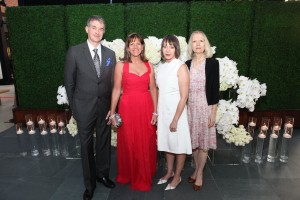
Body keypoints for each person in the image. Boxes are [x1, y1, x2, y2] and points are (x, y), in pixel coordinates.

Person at [64, 15, 116, 200]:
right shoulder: (75, 52)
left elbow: (112, 83)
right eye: (94, 27)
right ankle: (90, 185)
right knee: (86, 148)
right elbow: (69, 84)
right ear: (87, 29)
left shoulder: (110, 55)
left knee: (103, 142)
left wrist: (112, 107)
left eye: (101, 28)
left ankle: (102, 175)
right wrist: (75, 109)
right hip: (83, 109)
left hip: (104, 108)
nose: (97, 32)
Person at [109, 33, 158, 191]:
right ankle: (129, 173)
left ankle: (144, 174)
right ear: (127, 47)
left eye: (138, 43)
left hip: (146, 107)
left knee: (146, 140)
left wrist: (156, 112)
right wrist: (112, 113)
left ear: (142, 46)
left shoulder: (149, 65)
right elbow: (116, 90)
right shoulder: (120, 65)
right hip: (128, 108)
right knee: (129, 141)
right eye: (132, 44)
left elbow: (153, 90)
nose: (135, 46)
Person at [156, 35, 192, 191]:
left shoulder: (181, 67)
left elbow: (184, 96)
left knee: (179, 145)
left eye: (171, 46)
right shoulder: (161, 67)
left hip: (177, 112)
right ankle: (169, 172)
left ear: (176, 48)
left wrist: (176, 119)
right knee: (167, 143)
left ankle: (177, 176)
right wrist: (157, 113)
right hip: (163, 111)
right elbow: (159, 91)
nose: (167, 50)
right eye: (165, 46)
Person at [185, 30, 219, 191]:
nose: (198, 44)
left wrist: (213, 113)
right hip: (190, 108)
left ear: (205, 44)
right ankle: (196, 169)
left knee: (203, 144)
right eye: (194, 41)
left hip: (205, 107)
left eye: (201, 41)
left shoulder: (212, 63)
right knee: (194, 144)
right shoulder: (187, 64)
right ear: (191, 45)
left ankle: (199, 173)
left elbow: (215, 89)